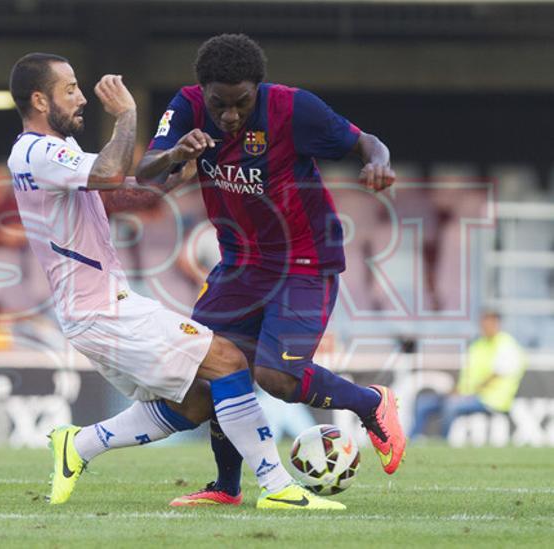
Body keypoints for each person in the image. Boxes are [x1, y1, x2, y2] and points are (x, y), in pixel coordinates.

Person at [7, 52, 345, 510]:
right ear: (39, 100)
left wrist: (175, 174)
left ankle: (80, 445)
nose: (82, 97)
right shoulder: (38, 151)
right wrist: (127, 114)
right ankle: (279, 488)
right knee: (227, 360)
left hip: (98, 309)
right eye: (70, 89)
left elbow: (117, 194)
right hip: (101, 310)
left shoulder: (47, 156)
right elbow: (108, 171)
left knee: (198, 402)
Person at [136, 33, 406, 506]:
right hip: (241, 264)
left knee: (277, 378)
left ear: (258, 88)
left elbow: (368, 143)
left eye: (241, 103)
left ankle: (371, 403)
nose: (230, 115)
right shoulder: (186, 108)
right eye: (220, 104)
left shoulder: (293, 108)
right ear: (203, 91)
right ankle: (226, 486)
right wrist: (178, 153)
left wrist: (379, 163)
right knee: (214, 367)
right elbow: (147, 171)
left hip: (304, 260)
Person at [410, 311, 526, 439]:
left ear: (497, 324)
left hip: (492, 399)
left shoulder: (506, 345)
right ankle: (411, 440)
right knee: (424, 403)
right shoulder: (478, 344)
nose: (485, 327)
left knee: (452, 405)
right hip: (468, 394)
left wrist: (465, 393)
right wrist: (457, 391)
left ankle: (442, 442)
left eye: (489, 323)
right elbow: (468, 376)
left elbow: (494, 377)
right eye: (483, 323)